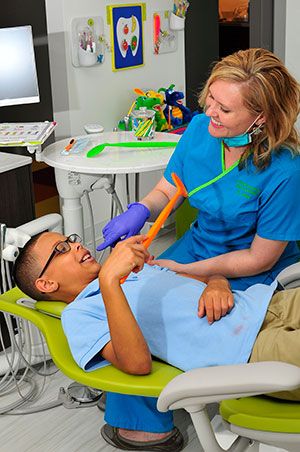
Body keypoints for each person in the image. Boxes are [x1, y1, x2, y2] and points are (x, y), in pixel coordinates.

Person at [93, 47, 300, 449]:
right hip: (200, 243)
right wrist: (140, 210)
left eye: (224, 108)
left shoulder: (286, 168)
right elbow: (172, 186)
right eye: (210, 99)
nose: (209, 112)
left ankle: (195, 393)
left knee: (188, 318)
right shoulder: (200, 130)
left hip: (254, 264)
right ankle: (149, 420)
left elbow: (260, 256)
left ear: (260, 118)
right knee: (135, 303)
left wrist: (188, 272)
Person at [13, 231, 300, 452]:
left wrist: (217, 285)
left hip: (270, 302)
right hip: (254, 347)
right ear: (47, 284)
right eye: (61, 249)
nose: (75, 245)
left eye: (71, 240)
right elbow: (136, 363)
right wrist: (109, 281)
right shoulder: (80, 313)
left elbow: (208, 276)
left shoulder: (139, 269)